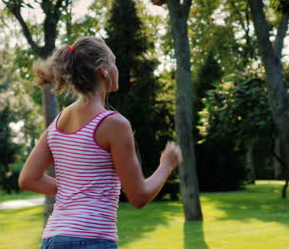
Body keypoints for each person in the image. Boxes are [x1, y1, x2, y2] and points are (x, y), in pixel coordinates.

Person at [18, 36, 182, 249]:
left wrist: (75, 188)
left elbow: (28, 179)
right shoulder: (114, 124)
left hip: (52, 239)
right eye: (114, 62)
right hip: (92, 240)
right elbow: (138, 196)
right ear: (103, 70)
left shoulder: (58, 122)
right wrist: (166, 165)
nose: (117, 68)